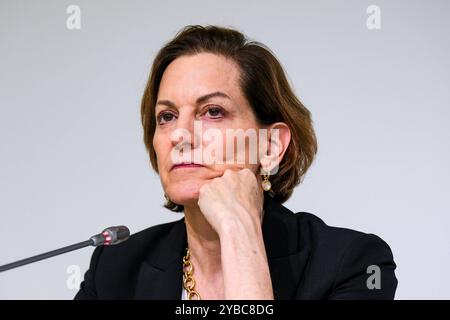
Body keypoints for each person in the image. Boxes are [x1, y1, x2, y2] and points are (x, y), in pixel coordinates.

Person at [75, 25, 397, 300]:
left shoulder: (355, 264)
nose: (180, 136)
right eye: (167, 116)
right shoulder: (115, 269)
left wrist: (238, 230)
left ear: (270, 146)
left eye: (213, 112)